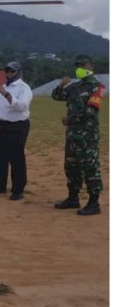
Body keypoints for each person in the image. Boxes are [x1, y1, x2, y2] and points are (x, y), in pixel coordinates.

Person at [51, 54, 106, 216]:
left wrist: (70, 119)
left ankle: (94, 203)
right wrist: (62, 85)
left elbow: (91, 110)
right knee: (71, 167)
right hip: (72, 135)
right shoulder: (75, 86)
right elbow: (56, 96)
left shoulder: (98, 87)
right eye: (77, 65)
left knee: (90, 168)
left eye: (83, 65)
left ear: (91, 66)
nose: (80, 68)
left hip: (87, 136)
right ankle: (73, 198)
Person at [0, 60, 32, 201]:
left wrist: (7, 95)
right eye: (7, 71)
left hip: (16, 126)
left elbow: (22, 106)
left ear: (18, 72)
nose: (9, 73)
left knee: (16, 158)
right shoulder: (4, 87)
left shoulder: (24, 88)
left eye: (12, 71)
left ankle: (18, 189)